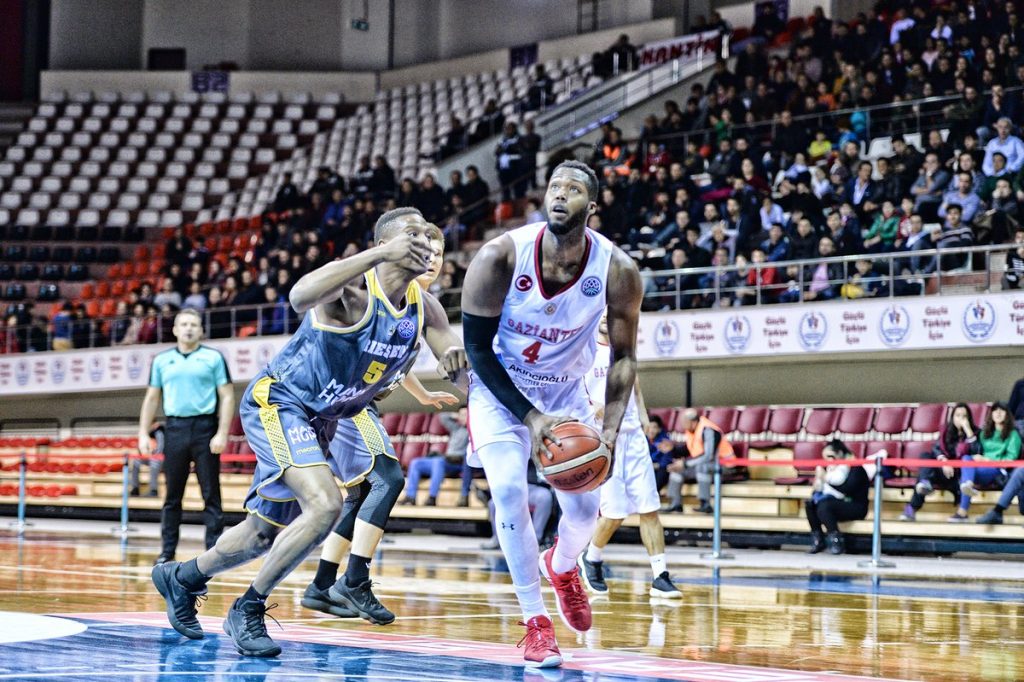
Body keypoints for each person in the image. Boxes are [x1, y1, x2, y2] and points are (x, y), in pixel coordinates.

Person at [151, 208, 468, 657]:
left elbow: (452, 357)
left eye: (428, 234)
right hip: (280, 401)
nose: (424, 243)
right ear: (385, 244)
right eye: (411, 234)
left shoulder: (424, 306)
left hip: (324, 418)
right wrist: (375, 256)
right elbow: (299, 295)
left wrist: (462, 365)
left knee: (259, 534)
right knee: (326, 504)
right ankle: (247, 608)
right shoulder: (353, 289)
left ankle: (181, 578)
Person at [461, 160, 642, 668]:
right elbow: (477, 349)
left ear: (592, 205)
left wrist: (606, 432)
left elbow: (625, 357)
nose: (560, 194)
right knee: (511, 491)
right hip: (500, 394)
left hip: (565, 395)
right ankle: (535, 622)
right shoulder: (499, 257)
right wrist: (528, 417)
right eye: (554, 186)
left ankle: (562, 568)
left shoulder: (618, 269)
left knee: (586, 513)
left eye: (574, 188)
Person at [300, 224, 465, 626]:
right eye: (425, 249)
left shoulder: (423, 304)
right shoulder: (369, 288)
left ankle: (321, 584)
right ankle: (355, 579)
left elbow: (393, 359)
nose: (431, 258)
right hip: (345, 402)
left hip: (344, 404)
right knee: (389, 479)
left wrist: (423, 395)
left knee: (358, 495)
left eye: (439, 253)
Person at [578, 314, 681, 599]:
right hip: (603, 440)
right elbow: (570, 392)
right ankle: (591, 558)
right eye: (600, 312)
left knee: (649, 507)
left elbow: (634, 385)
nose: (605, 318)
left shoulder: (624, 350)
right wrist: (591, 405)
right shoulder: (583, 352)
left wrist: (645, 415)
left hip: (634, 437)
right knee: (614, 514)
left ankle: (660, 576)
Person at [139, 309, 234, 565]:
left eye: (194, 324)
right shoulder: (161, 360)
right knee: (172, 496)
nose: (189, 328)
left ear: (201, 330)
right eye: (184, 324)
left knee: (211, 494)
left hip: (205, 428)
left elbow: (226, 396)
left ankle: (214, 552)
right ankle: (167, 551)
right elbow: (151, 398)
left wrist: (222, 432)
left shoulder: (213, 358)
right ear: (175, 330)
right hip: (175, 429)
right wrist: (142, 432)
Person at [900, 403, 976, 521]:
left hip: (960, 474)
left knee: (923, 476)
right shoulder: (945, 431)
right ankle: (925, 484)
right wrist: (944, 461)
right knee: (925, 457)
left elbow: (976, 451)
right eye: (958, 415)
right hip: (943, 470)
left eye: (964, 416)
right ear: (952, 417)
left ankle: (912, 507)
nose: (961, 419)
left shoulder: (975, 432)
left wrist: (968, 430)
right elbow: (936, 448)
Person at [951, 403, 1022, 522]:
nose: (998, 413)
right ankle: (968, 484)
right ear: (991, 414)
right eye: (995, 410)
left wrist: (988, 460)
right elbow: (975, 450)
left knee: (967, 473)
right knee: (966, 459)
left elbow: (1011, 460)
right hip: (980, 468)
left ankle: (962, 512)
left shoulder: (1013, 434)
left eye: (1002, 410)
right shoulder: (985, 433)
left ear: (1007, 414)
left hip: (998, 470)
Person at [806, 440, 871, 555]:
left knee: (825, 506)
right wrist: (818, 482)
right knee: (811, 503)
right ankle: (818, 539)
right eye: (825, 457)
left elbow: (847, 489)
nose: (828, 460)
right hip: (837, 503)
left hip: (855, 506)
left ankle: (836, 540)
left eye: (831, 456)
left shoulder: (856, 467)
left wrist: (825, 478)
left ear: (840, 453)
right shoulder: (831, 468)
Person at [665, 409, 733, 514]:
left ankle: (705, 504)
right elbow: (691, 450)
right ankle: (675, 504)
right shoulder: (691, 431)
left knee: (702, 467)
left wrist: (685, 464)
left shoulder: (708, 430)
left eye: (684, 422)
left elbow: (708, 456)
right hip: (702, 464)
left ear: (692, 421)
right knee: (676, 470)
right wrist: (673, 449)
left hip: (725, 466)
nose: (681, 425)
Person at [400, 407, 471, 507]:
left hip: (459, 464)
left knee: (438, 462)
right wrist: (455, 415)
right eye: (461, 415)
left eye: (466, 415)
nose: (463, 417)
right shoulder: (456, 428)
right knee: (416, 463)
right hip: (446, 461)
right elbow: (442, 416)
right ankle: (410, 497)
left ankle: (432, 497)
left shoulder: (473, 431)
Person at [130, 422, 165, 497]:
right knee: (136, 461)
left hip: (164, 459)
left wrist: (153, 454)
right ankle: (135, 488)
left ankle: (153, 490)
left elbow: (160, 450)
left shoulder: (160, 432)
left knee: (154, 462)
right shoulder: (147, 433)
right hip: (152, 457)